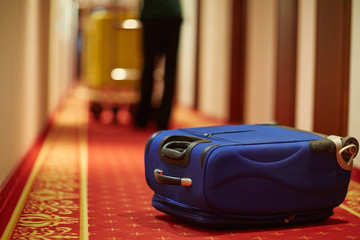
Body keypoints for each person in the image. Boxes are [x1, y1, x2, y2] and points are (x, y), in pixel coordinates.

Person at [134, 0, 182, 130]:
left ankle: (142, 117)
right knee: (170, 69)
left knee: (148, 66)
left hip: (153, 13)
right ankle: (163, 120)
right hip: (172, 12)